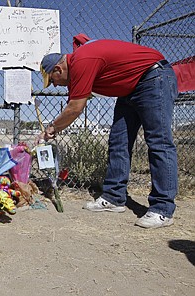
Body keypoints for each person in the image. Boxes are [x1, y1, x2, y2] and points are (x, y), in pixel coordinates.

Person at [39, 38, 178, 229]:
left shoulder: (81, 61)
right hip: (129, 88)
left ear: (58, 69)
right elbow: (74, 105)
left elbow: (75, 108)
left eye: (52, 80)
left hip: (153, 78)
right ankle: (114, 197)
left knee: (158, 143)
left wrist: (51, 129)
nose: (54, 85)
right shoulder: (78, 67)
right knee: (118, 142)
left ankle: (162, 209)